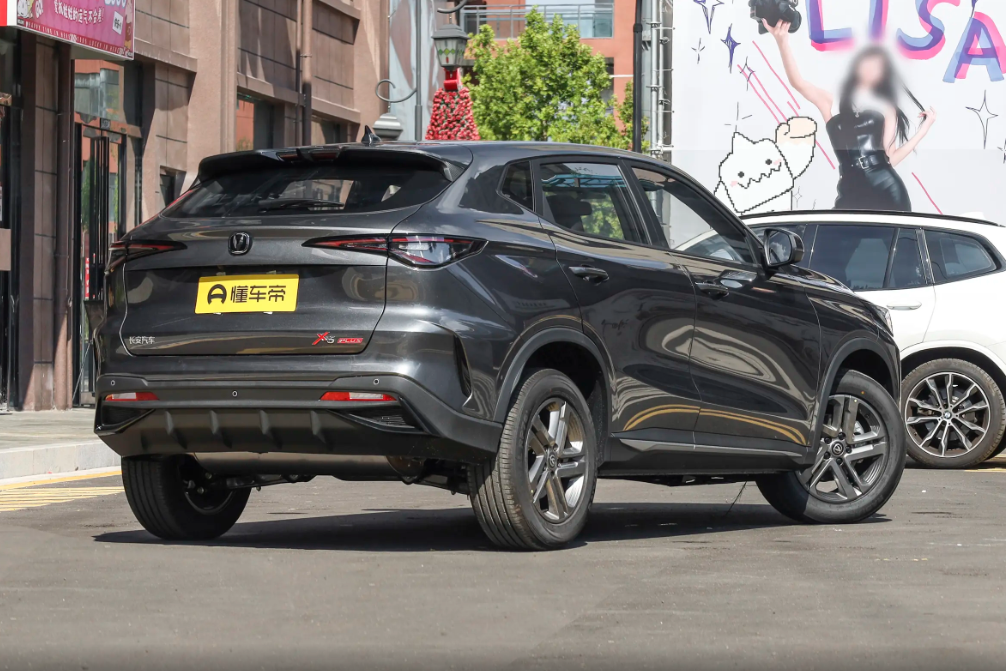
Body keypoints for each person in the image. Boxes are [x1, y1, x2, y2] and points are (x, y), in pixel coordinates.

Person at [763, 19, 937, 211]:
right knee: (832, 231)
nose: (871, 69)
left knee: (896, 233)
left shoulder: (886, 107)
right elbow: (798, 83)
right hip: (849, 189)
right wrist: (782, 42)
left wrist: (923, 131)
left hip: (886, 187)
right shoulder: (833, 100)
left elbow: (891, 158)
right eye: (868, 63)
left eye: (878, 67)